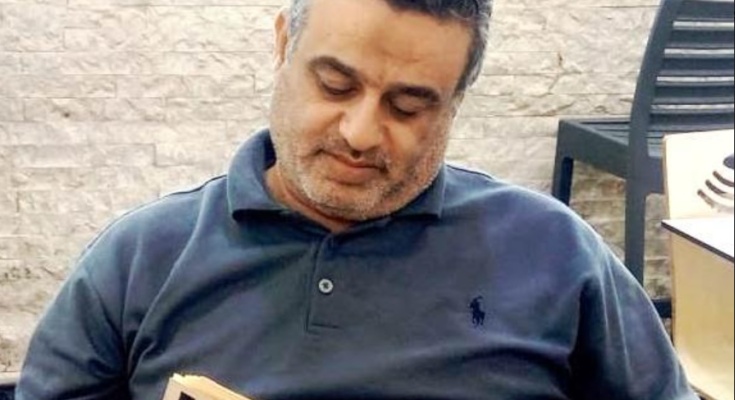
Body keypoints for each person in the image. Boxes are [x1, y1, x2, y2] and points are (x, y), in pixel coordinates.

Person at [16, 0, 698, 399]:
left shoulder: (554, 254)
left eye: (408, 106)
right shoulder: (140, 260)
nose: (360, 133)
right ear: (283, 45)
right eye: (335, 86)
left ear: (454, 103)